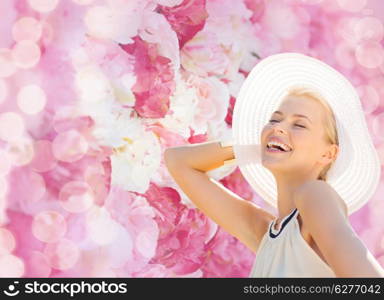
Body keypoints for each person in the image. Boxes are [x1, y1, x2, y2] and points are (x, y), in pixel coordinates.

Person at [164, 53, 384, 277]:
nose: (279, 127)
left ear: (328, 153)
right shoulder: (266, 235)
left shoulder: (315, 194)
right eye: (275, 119)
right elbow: (178, 161)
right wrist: (258, 147)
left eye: (299, 125)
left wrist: (274, 143)